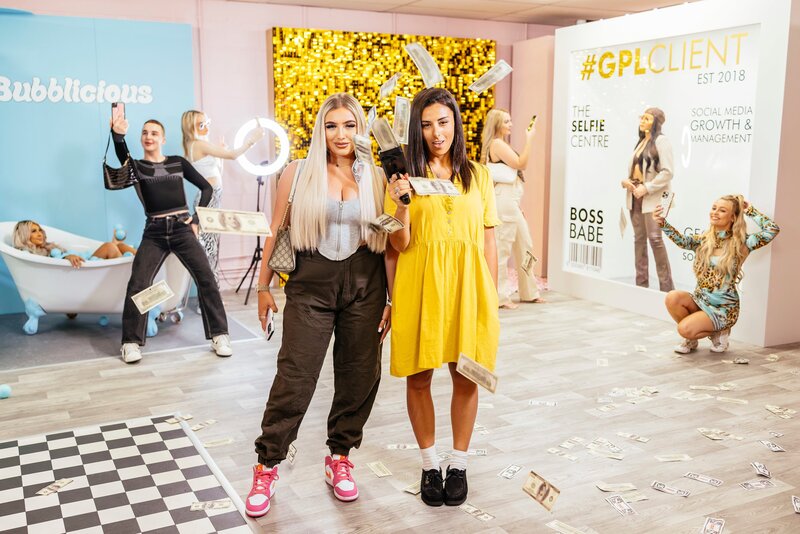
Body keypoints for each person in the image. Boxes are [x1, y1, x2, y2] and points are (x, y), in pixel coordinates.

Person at [247, 93, 395, 517]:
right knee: (295, 375)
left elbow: (391, 245)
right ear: (320, 130)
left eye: (349, 125)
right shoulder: (297, 172)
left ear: (360, 129)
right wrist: (263, 287)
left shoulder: (378, 177)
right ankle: (267, 465)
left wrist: (392, 298)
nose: (340, 135)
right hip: (311, 284)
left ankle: (340, 457)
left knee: (360, 374)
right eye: (332, 126)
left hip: (366, 284)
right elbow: (276, 228)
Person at [385, 87, 500, 507]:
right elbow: (397, 244)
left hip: (468, 288)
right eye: (427, 124)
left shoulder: (479, 175)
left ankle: (459, 464)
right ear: (416, 129)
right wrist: (401, 205)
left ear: (456, 124)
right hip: (420, 286)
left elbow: (489, 241)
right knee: (419, 378)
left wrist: (491, 295)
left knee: (466, 375)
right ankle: (430, 464)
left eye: (444, 122)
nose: (437, 133)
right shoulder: (403, 178)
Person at [110, 115, 232, 364]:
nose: (149, 136)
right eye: (145, 132)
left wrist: (196, 219)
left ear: (163, 139)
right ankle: (130, 343)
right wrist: (117, 136)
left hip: (181, 229)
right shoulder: (137, 167)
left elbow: (207, 188)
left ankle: (220, 336)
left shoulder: (178, 162)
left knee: (206, 279)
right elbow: (122, 154)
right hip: (154, 232)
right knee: (138, 283)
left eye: (154, 133)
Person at [654, 195, 779, 353]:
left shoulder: (743, 243)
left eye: (722, 210)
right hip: (700, 300)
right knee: (672, 297)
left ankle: (719, 331)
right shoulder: (704, 240)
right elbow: (682, 241)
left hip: (723, 309)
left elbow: (772, 230)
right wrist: (662, 223)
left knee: (684, 329)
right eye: (714, 208)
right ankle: (693, 337)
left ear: (732, 217)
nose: (715, 212)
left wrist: (750, 211)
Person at [180, 110, 264, 284]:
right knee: (209, 250)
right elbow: (234, 155)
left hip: (212, 198)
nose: (206, 127)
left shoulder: (197, 145)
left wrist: (221, 155)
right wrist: (252, 140)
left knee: (211, 249)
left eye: (207, 122)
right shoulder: (198, 144)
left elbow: (218, 174)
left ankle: (211, 291)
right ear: (191, 127)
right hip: (208, 200)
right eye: (201, 124)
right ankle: (211, 292)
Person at [480, 108, 545, 308]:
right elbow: (521, 163)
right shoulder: (497, 144)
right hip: (504, 203)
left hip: (511, 203)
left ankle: (529, 291)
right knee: (502, 249)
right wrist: (529, 139)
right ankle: (499, 297)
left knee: (526, 245)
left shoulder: (499, 144)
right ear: (497, 124)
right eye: (506, 121)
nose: (510, 124)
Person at [621, 107, 674, 291]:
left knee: (655, 239)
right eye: (641, 118)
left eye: (647, 118)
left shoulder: (662, 141)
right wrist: (626, 181)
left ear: (656, 122)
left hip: (655, 197)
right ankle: (641, 286)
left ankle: (667, 290)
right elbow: (638, 170)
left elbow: (668, 172)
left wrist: (647, 187)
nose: (642, 121)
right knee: (639, 240)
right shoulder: (641, 141)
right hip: (635, 196)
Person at [13, 220, 136, 268]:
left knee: (119, 246)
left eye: (40, 230)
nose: (40, 234)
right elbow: (51, 265)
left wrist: (66, 255)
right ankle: (130, 274)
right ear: (24, 235)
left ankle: (145, 260)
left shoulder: (50, 247)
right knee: (110, 246)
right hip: (80, 267)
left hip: (85, 261)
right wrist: (66, 257)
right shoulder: (27, 254)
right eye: (34, 231)